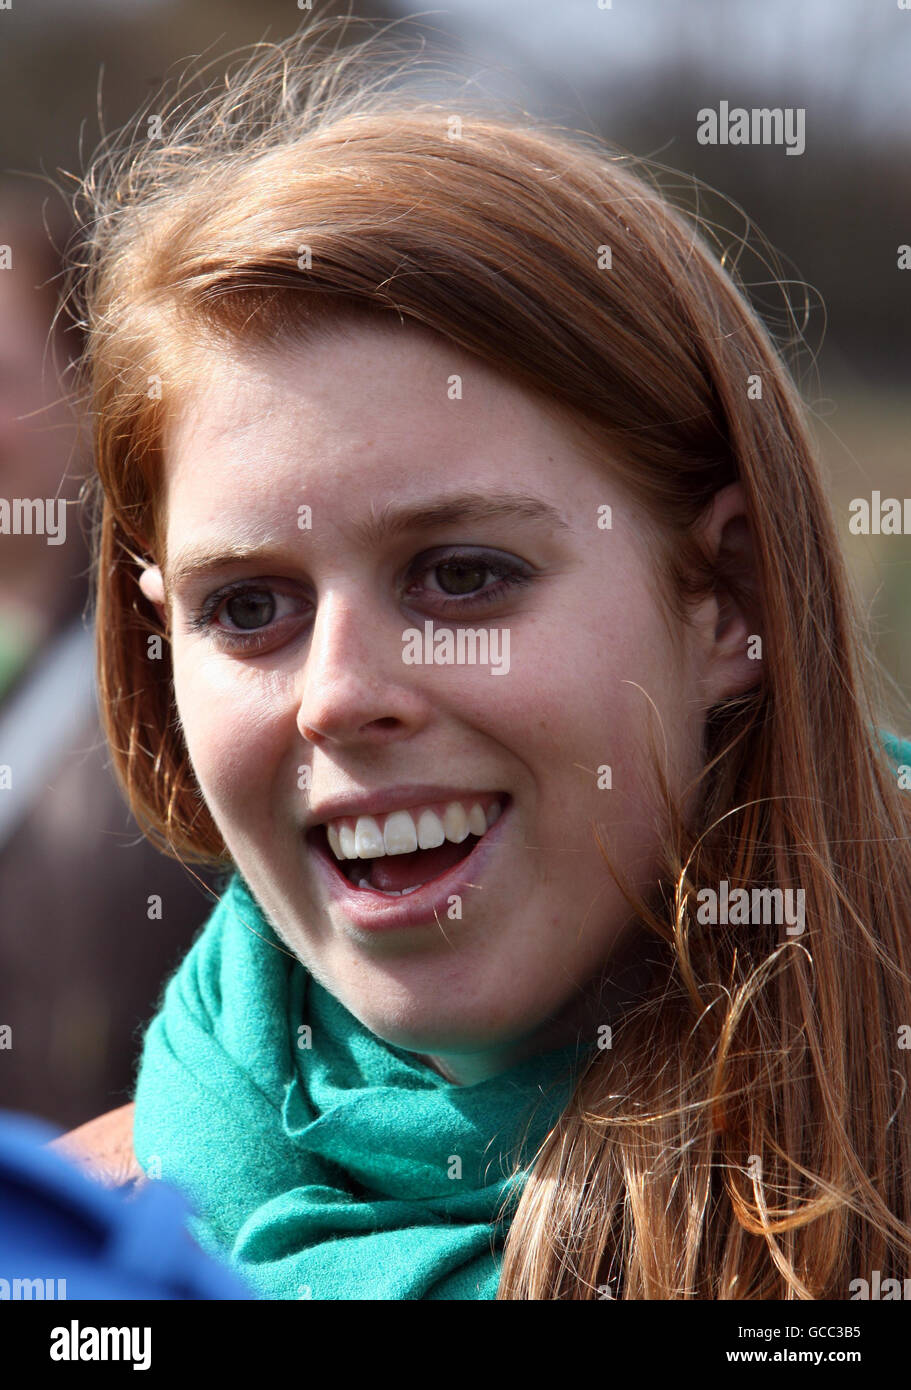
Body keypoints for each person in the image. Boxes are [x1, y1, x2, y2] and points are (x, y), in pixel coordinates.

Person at [56, 18, 911, 1299]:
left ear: (727, 597)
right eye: (246, 609)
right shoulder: (74, 1252)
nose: (340, 694)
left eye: (462, 575)